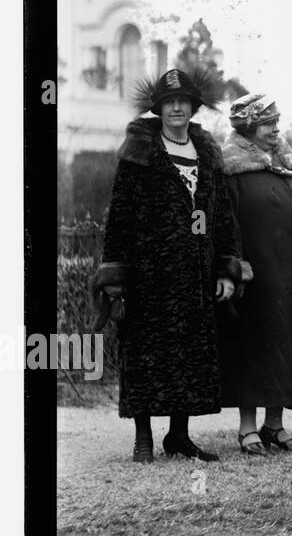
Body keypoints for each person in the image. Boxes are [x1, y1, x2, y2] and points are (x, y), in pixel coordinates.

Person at [94, 66, 241, 463]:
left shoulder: (207, 154)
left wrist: (227, 270)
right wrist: (115, 277)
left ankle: (179, 435)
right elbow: (120, 215)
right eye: (169, 102)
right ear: (159, 108)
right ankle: (143, 437)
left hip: (195, 274)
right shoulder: (140, 153)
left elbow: (222, 216)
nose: (176, 108)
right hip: (148, 275)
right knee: (145, 354)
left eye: (183, 102)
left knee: (189, 355)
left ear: (193, 107)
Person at [221, 93, 292, 456]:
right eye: (268, 124)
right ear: (249, 127)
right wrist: (235, 268)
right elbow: (227, 225)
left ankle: (275, 425)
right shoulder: (232, 170)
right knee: (252, 348)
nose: (275, 130)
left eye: (276, 123)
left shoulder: (286, 167)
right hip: (255, 276)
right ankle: (247, 428)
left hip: (289, 274)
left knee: (284, 348)